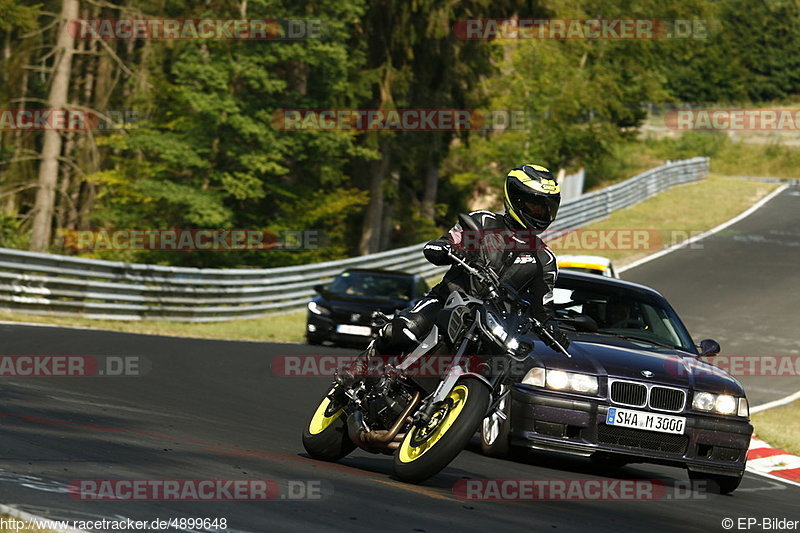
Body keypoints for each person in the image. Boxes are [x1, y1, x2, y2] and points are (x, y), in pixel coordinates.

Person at [374, 164, 570, 354]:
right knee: (401, 333)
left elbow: (542, 310)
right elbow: (443, 244)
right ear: (517, 199)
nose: (542, 213)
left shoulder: (545, 259)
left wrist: (554, 330)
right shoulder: (482, 222)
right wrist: (446, 248)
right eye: (535, 206)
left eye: (547, 207)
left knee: (503, 371)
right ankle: (360, 367)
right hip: (446, 301)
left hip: (491, 326)